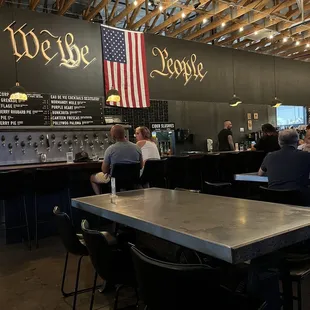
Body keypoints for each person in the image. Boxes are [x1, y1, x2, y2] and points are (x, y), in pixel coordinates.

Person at [90, 125, 143, 195]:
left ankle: (100, 198)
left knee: (92, 178)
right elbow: (141, 166)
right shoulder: (137, 148)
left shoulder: (110, 149)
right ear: (124, 134)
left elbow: (104, 170)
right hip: (133, 181)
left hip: (115, 181)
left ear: (113, 136)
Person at [258, 129, 310, 193]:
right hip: (300, 199)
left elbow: (260, 173)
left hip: (274, 199)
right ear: (298, 142)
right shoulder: (306, 155)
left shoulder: (269, 156)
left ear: (279, 143)